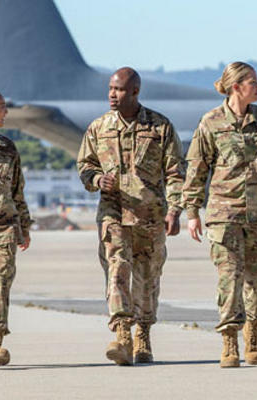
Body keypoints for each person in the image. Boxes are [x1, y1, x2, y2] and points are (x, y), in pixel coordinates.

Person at [183, 62, 257, 368]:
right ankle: (229, 341)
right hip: (224, 214)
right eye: (253, 83)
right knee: (229, 278)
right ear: (237, 86)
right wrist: (192, 211)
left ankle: (254, 331)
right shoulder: (210, 122)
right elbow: (197, 169)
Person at [77, 68, 185, 366]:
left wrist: (175, 210)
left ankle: (144, 332)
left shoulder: (160, 127)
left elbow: (176, 173)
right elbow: (85, 166)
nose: (113, 95)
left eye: (120, 90)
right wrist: (98, 180)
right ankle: (122, 333)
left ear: (135, 91)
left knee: (148, 278)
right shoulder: (99, 128)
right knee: (117, 271)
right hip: (113, 214)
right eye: (111, 89)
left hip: (151, 217)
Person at [0, 88, 32, 368]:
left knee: (1, 284)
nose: (6, 112)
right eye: (2, 107)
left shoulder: (7, 148)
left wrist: (24, 226)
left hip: (2, 227)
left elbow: (17, 191)